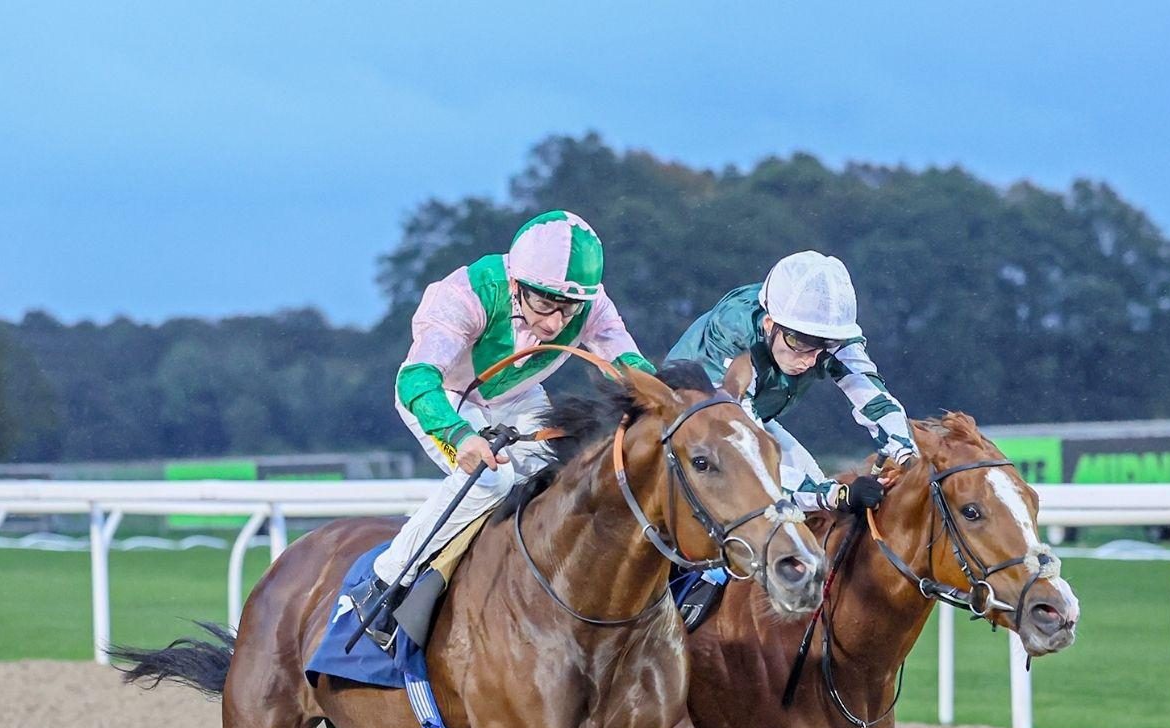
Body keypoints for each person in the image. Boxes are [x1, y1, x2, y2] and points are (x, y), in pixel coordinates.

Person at [355, 211, 656, 646]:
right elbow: (417, 379)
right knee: (491, 481)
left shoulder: (589, 302)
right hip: (446, 398)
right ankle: (384, 585)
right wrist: (461, 436)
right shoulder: (464, 295)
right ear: (515, 285)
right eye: (545, 305)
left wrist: (672, 399)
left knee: (555, 480)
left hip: (516, 398)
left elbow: (628, 365)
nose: (555, 323)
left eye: (568, 308)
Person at [665, 251, 917, 626]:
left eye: (825, 347)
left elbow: (871, 394)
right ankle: (681, 605)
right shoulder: (732, 334)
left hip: (750, 425)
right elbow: (743, 460)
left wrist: (907, 454)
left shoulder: (821, 336)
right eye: (800, 343)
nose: (812, 360)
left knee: (812, 507)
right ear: (769, 324)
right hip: (691, 436)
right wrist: (835, 493)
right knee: (788, 497)